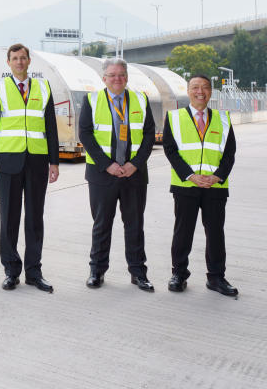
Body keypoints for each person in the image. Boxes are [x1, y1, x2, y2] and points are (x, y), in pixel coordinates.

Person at [0, 43, 60, 292]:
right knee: (9, 217)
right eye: (14, 58)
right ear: (8, 63)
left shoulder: (43, 87)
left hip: (37, 160)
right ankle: (11, 270)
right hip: (8, 161)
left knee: (35, 217)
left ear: (29, 61)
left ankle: (34, 271)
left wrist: (55, 161)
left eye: (23, 58)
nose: (19, 62)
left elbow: (51, 126)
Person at [78, 57, 156, 292]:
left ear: (127, 77)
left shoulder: (141, 100)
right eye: (112, 75)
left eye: (121, 74)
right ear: (104, 78)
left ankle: (138, 273)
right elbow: (86, 134)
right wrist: (107, 164)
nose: (117, 79)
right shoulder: (91, 100)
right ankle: (97, 271)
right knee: (101, 224)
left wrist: (135, 164)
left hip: (134, 175)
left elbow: (150, 135)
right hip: (103, 175)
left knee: (134, 225)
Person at [162, 74, 238, 296]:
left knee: (215, 233)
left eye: (205, 87)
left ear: (211, 91)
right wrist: (190, 175)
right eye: (195, 87)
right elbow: (170, 150)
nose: (200, 91)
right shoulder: (174, 118)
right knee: (183, 232)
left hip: (215, 187)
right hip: (186, 186)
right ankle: (179, 274)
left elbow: (229, 153)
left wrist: (217, 176)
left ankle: (216, 278)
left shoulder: (223, 118)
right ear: (188, 91)